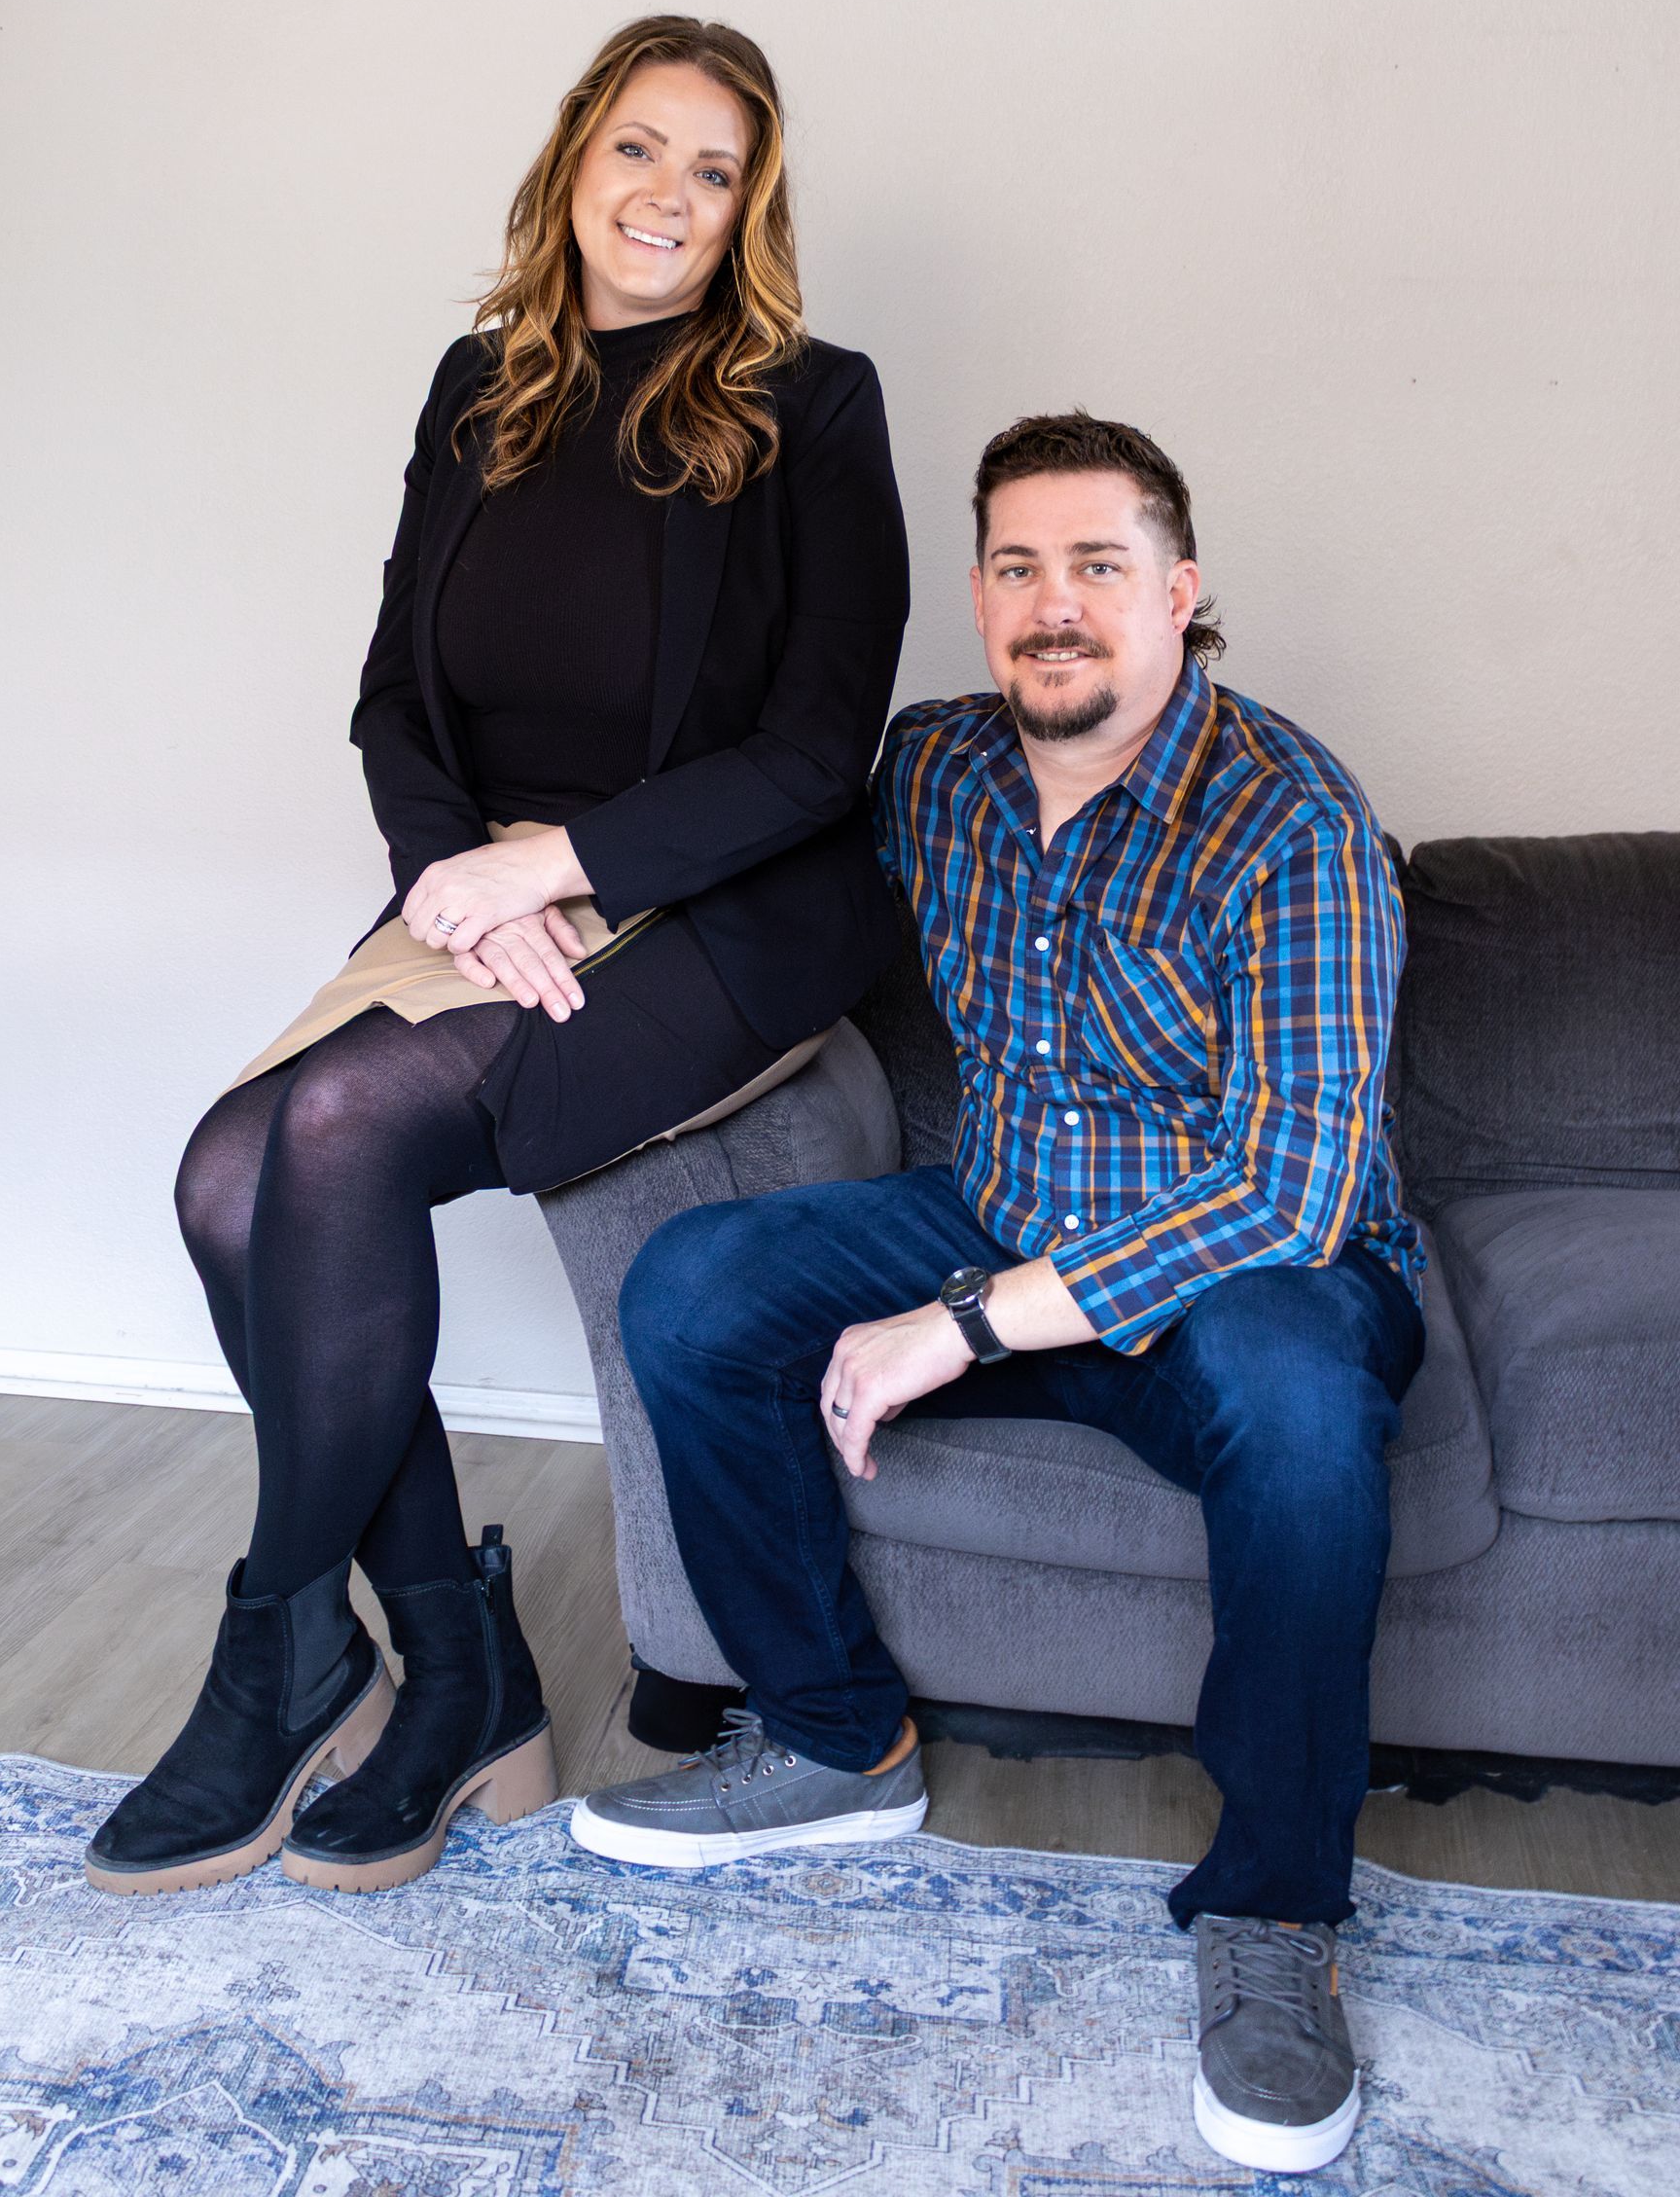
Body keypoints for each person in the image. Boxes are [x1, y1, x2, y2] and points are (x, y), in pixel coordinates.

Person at [84, 15, 910, 1899]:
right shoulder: (485, 387)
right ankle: (458, 1662)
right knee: (224, 1178)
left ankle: (287, 1649)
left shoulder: (816, 403)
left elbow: (813, 751)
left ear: (749, 212)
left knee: (341, 1130)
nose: (669, 198)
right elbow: (391, 697)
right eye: (642, 150)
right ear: (574, 163)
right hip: (481, 895)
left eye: (716, 173)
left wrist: (574, 857)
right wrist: (466, 873)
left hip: (712, 909)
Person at [576, 410, 1426, 2178]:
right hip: (998, 1205)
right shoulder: (939, 770)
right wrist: (537, 896)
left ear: (1182, 595)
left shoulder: (1293, 817)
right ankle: (831, 1740)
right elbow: (737, 850)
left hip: (1247, 1272)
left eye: (1100, 566)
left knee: (1298, 1407)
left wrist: (956, 1327)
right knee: (690, 1287)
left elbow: (1294, 1187)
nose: (1058, 605)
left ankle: (1275, 1914)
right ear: (978, 600)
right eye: (1021, 569)